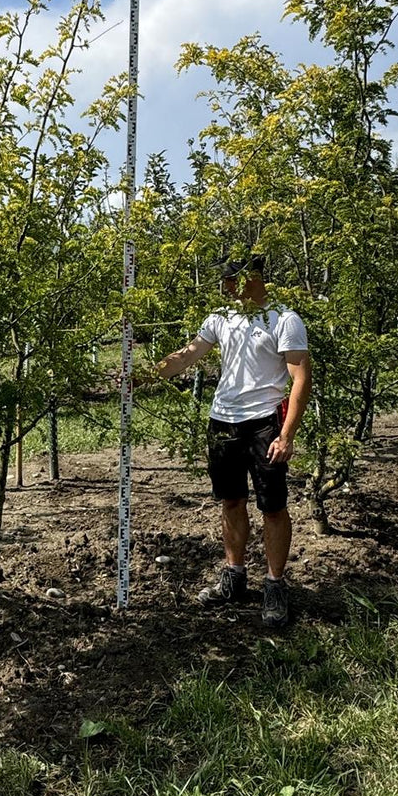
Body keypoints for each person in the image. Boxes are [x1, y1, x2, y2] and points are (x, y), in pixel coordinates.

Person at [152, 254, 311, 628]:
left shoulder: (284, 319)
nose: (225, 287)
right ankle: (234, 577)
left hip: (265, 423)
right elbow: (188, 356)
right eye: (225, 281)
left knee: (272, 506)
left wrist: (286, 435)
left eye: (231, 280)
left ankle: (274, 585)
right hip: (222, 422)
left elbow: (301, 379)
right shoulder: (220, 318)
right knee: (231, 500)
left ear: (251, 278)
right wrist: (144, 375)